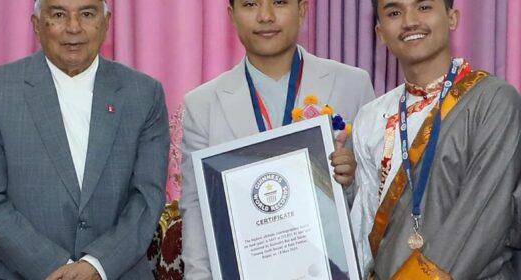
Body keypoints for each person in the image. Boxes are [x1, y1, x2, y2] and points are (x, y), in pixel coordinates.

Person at [0, 0, 170, 279]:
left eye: (87, 14)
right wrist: (55, 266)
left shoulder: (144, 94)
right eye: (59, 14)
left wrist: (97, 265)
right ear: (36, 25)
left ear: (106, 23)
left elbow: (148, 196)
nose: (73, 28)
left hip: (117, 272)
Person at [179, 0, 375, 278]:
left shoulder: (351, 84)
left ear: (302, 9)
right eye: (250, 4)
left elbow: (376, 195)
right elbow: (197, 208)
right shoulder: (203, 105)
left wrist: (353, 177)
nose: (266, 16)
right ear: (232, 16)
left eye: (279, 2)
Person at [350, 0, 521, 278]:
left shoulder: (494, 102)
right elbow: (366, 225)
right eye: (394, 12)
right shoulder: (370, 117)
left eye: (424, 7)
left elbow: (483, 216)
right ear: (380, 33)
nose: (409, 21)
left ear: (452, 18)